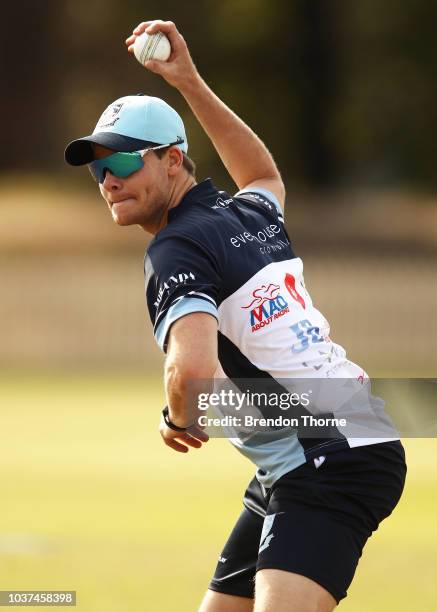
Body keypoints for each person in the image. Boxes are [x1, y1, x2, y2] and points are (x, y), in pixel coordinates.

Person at [64, 19, 407, 612]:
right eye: (96, 169)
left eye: (121, 164)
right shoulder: (245, 212)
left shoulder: (177, 245)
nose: (107, 182)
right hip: (320, 450)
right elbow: (263, 175)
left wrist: (178, 416)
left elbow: (191, 378)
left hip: (326, 459)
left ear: (173, 161)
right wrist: (188, 81)